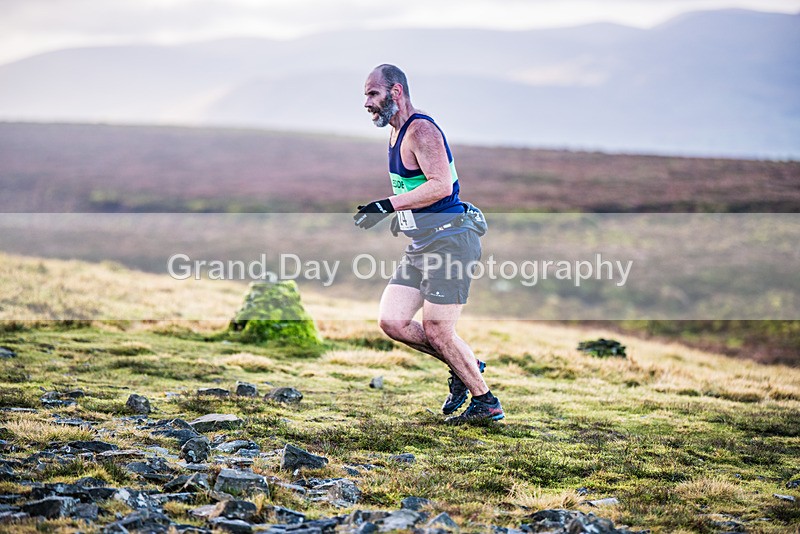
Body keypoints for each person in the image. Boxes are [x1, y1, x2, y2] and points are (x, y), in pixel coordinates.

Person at [354, 64, 504, 423]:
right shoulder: (394, 133)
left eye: (372, 94)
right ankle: (467, 364)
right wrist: (404, 217)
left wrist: (386, 204)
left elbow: (442, 186)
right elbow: (417, 189)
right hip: (423, 243)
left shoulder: (420, 130)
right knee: (393, 320)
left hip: (451, 241)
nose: (366, 103)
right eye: (365, 96)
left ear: (396, 93)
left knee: (438, 328)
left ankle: (486, 402)